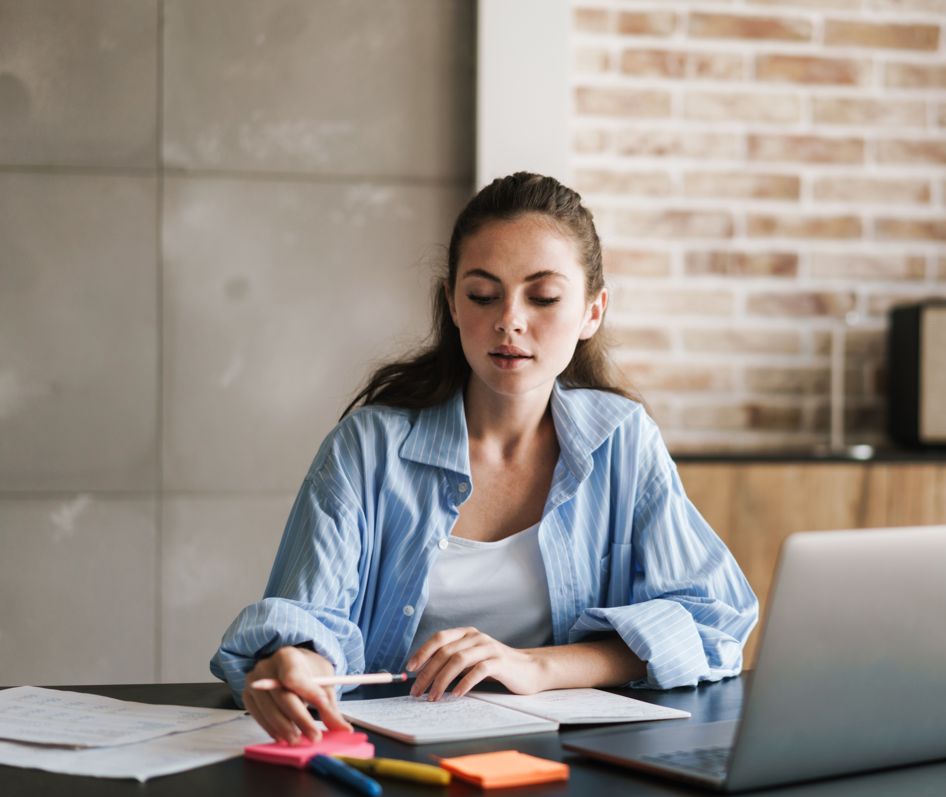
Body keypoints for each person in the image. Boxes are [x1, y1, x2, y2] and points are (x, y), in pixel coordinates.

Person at [211, 172, 758, 744]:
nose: (510, 321)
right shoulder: (368, 447)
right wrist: (298, 662)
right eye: (482, 294)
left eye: (543, 297)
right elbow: (309, 618)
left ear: (592, 311)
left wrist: (538, 667)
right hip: (399, 760)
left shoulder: (623, 440)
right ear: (451, 303)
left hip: (574, 763)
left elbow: (714, 619)